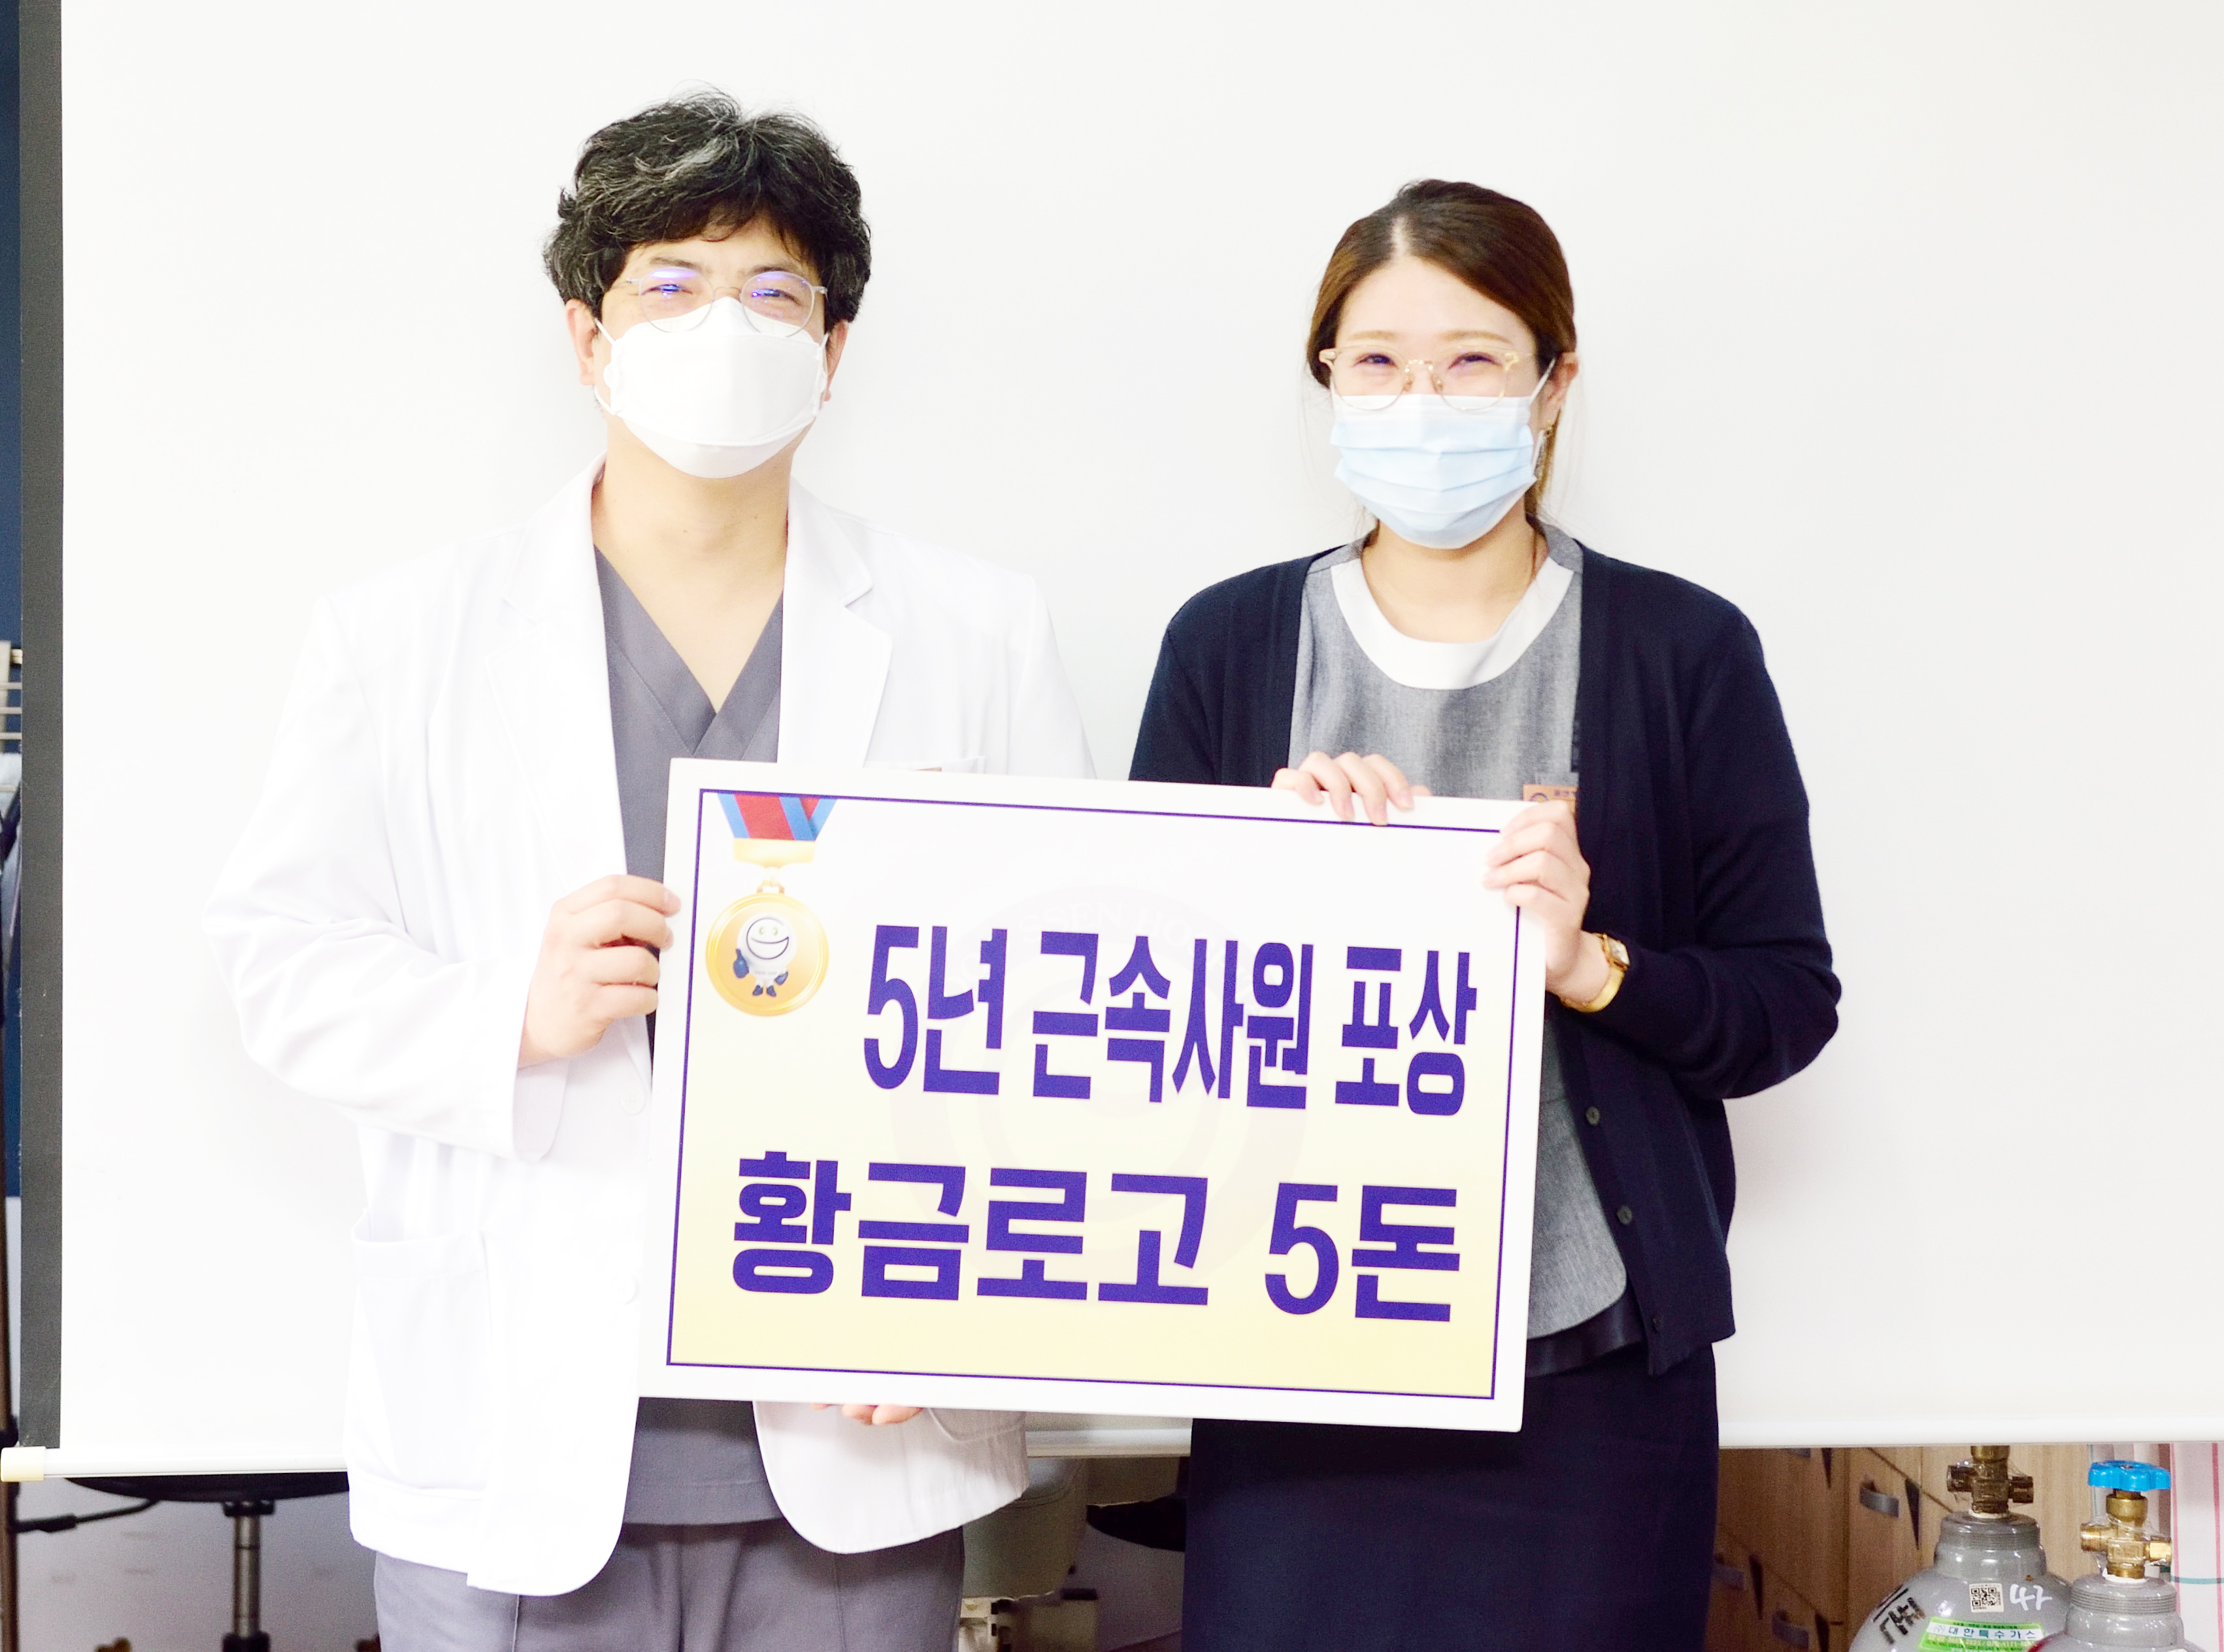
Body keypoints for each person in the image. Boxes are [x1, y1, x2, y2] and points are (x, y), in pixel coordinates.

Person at [206, 93, 1094, 1649]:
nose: (723, 328)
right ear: (587, 336)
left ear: (833, 346)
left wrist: (965, 1295)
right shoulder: (402, 636)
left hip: (853, 1445)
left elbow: (1058, 1006)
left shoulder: (973, 631)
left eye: (773, 292)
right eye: (670, 286)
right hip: (516, 1435)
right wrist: (511, 1012)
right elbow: (278, 964)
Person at [1128, 179, 1839, 1649]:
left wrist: (1592, 965)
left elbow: (1784, 1002)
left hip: (1587, 1371)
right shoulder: (1228, 644)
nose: (1422, 399)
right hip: (1290, 1345)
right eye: (1377, 360)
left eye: (1471, 359)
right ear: (1326, 380)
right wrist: (1264, 881)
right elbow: (1132, 1012)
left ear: (1552, 382)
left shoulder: (1683, 650)